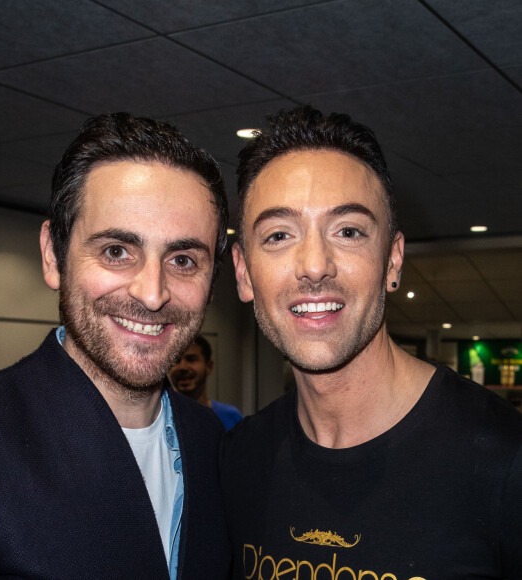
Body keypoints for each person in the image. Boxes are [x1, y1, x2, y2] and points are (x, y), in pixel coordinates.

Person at [220, 105, 522, 579]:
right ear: (243, 272)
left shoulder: (505, 463)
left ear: (393, 261)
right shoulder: (237, 461)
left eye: (348, 231)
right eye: (279, 235)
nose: (315, 265)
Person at [0, 113, 231, 579]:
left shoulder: (210, 441)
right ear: (53, 256)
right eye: (117, 251)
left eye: (182, 259)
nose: (152, 293)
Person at [170, 334, 243, 430]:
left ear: (209, 367)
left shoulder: (231, 416)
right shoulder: (162, 418)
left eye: (191, 359)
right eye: (176, 360)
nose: (183, 367)